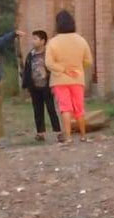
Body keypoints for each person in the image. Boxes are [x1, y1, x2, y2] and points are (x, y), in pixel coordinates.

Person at [45, 10, 93, 143]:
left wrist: (63, 69)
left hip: (59, 80)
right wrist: (77, 68)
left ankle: (69, 137)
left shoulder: (53, 42)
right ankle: (83, 136)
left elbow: (49, 63)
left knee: (65, 108)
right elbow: (88, 60)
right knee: (79, 107)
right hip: (77, 78)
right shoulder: (81, 40)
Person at [21, 30, 63, 143]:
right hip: (34, 87)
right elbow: (27, 69)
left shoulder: (48, 54)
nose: (33, 41)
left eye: (35, 38)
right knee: (37, 110)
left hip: (47, 86)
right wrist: (26, 84)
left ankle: (58, 132)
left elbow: (54, 67)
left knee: (51, 109)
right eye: (32, 38)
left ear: (43, 41)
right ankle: (40, 133)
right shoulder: (31, 55)